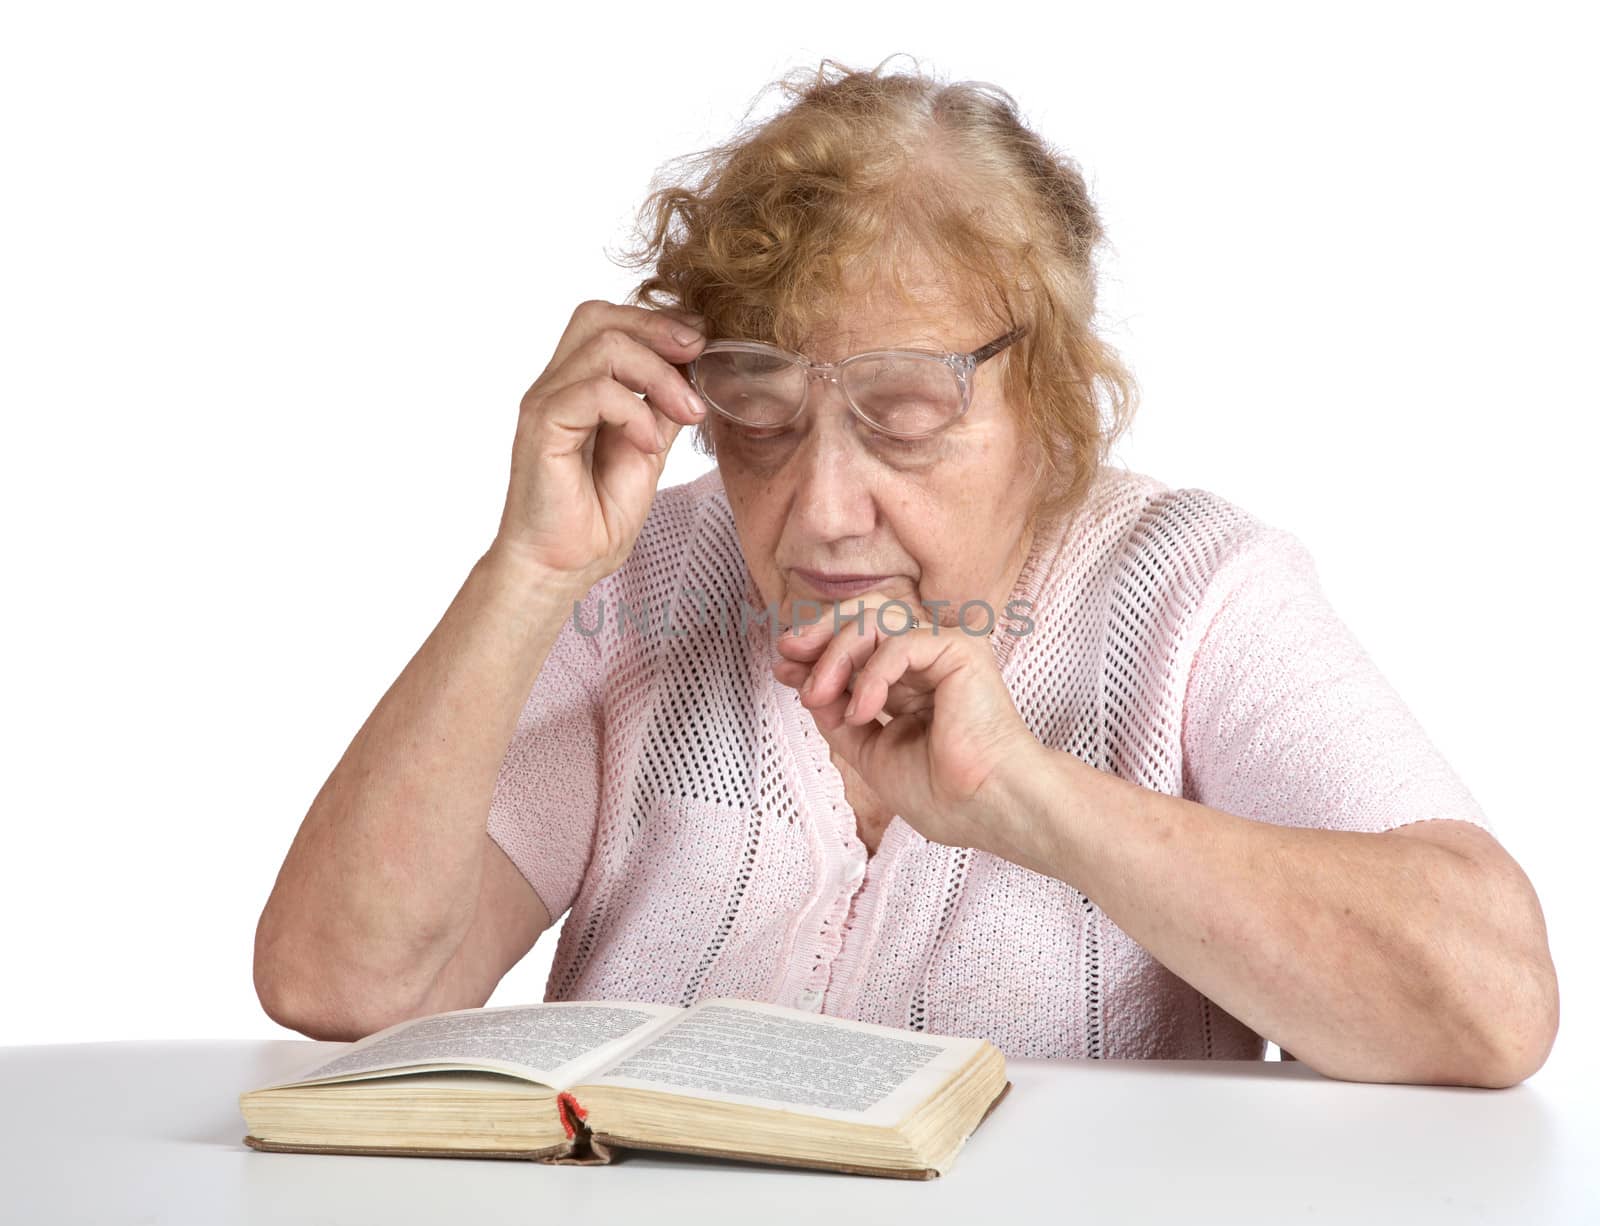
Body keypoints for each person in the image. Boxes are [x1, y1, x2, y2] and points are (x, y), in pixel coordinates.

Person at [251, 57, 1558, 1087]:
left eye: (903, 414)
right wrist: (529, 570)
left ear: (1049, 402)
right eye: (757, 415)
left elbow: (1491, 1002)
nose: (819, 511)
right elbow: (342, 985)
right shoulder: (647, 575)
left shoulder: (1192, 590)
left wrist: (1027, 798)